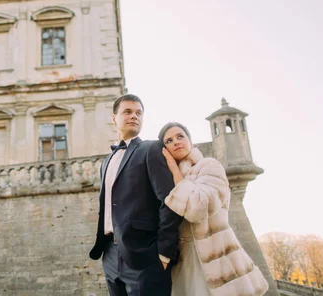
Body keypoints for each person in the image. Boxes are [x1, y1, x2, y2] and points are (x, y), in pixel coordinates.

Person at [159, 122, 269, 296]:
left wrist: (174, 170)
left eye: (180, 136)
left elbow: (198, 209)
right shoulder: (164, 180)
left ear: (190, 141)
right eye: (169, 140)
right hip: (183, 263)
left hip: (220, 263)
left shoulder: (208, 166)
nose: (176, 142)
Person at [90, 95, 183, 295]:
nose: (134, 116)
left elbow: (170, 201)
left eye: (138, 113)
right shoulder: (107, 161)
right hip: (110, 254)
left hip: (145, 256)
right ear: (114, 118)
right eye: (128, 112)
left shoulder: (151, 148)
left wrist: (164, 253)